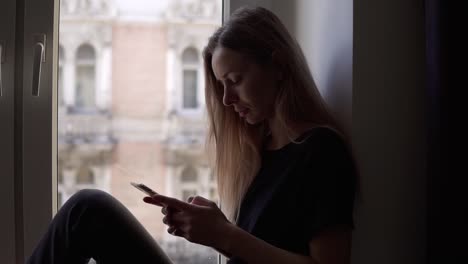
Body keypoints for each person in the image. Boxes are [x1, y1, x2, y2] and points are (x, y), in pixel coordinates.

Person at [28, 6, 357, 264]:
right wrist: (208, 229)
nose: (227, 99)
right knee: (86, 212)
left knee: (87, 209)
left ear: (278, 65)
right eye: (221, 85)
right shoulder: (264, 150)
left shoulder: (321, 151)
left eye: (236, 79)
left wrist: (225, 234)